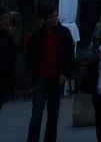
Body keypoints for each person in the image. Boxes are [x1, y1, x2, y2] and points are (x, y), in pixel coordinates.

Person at [24, 11, 75, 142]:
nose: (54, 19)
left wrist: (65, 73)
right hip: (40, 77)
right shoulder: (38, 35)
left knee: (53, 114)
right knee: (37, 112)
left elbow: (69, 54)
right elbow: (30, 53)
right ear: (45, 19)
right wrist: (32, 71)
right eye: (51, 17)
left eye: (55, 16)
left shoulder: (64, 33)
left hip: (56, 78)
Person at [0, 14, 18, 112]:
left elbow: (12, 56)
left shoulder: (7, 36)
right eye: (3, 18)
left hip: (3, 76)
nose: (5, 21)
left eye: (6, 18)